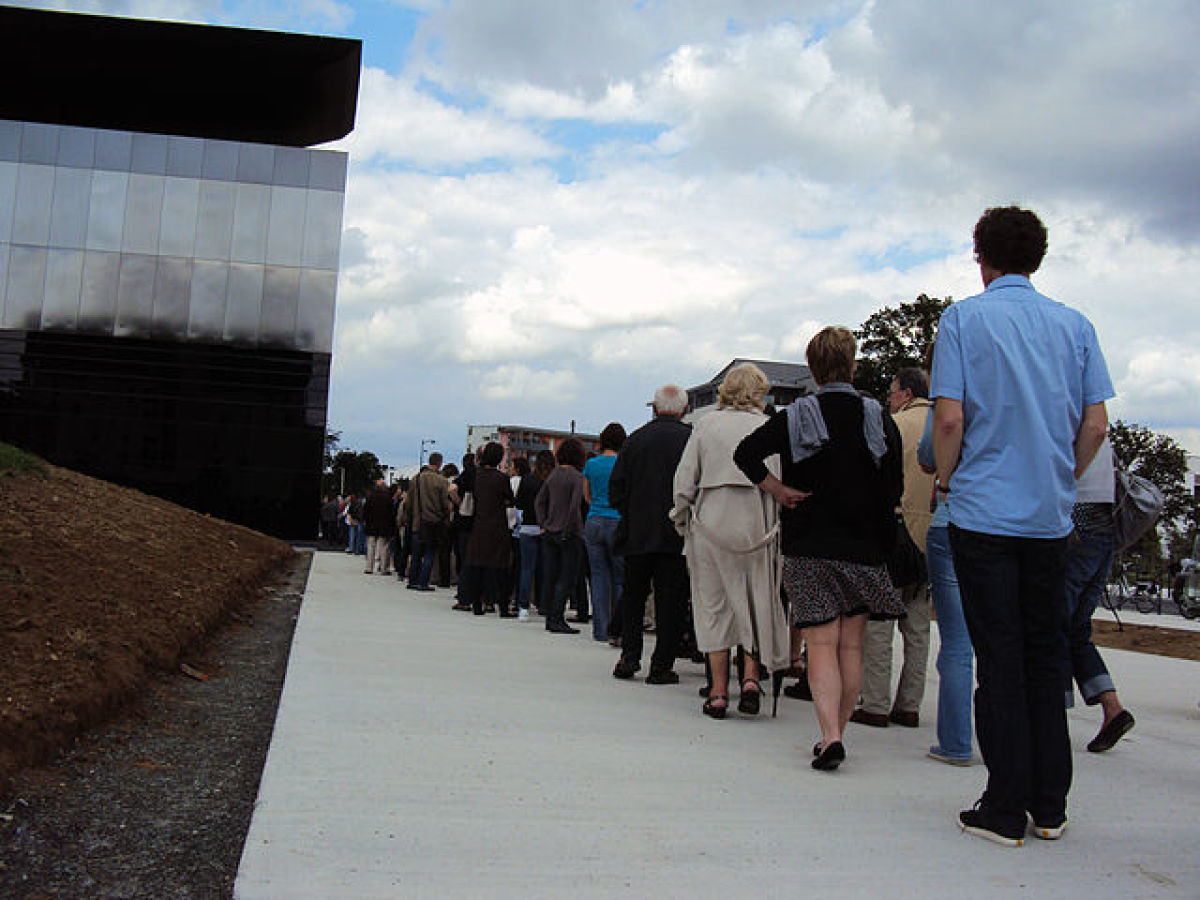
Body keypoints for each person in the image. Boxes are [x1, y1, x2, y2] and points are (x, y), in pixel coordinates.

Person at [931, 206, 1112, 845]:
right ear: (1038, 256)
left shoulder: (963, 319)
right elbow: (1095, 424)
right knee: (1047, 653)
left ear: (982, 257)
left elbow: (949, 419)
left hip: (982, 510)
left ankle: (1003, 806)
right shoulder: (1076, 325)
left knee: (998, 659)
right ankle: (1050, 803)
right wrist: (1063, 475)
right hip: (1048, 515)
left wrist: (948, 479)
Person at [735, 327, 904, 771]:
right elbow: (894, 484)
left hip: (809, 541)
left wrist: (777, 488)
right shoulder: (877, 416)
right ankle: (838, 733)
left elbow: (746, 452)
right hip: (863, 544)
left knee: (820, 643)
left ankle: (828, 733)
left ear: (811, 368)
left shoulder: (797, 415)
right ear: (853, 363)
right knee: (851, 647)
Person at [671, 363, 788, 718]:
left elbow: (684, 481)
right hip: (756, 521)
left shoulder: (705, 426)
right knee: (755, 600)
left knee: (712, 605)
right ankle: (751, 679)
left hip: (710, 523)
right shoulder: (769, 427)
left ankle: (719, 691)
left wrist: (680, 519)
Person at [853, 366, 934, 728]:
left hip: (893, 533)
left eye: (891, 391)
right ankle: (909, 704)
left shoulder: (894, 427)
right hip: (931, 536)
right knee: (917, 627)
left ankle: (875, 701)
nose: (889, 398)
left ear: (905, 393)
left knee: (880, 623)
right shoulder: (944, 424)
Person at [609, 384, 693, 685]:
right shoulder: (691, 439)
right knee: (671, 602)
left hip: (637, 533)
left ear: (655, 409)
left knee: (634, 597)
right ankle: (662, 664)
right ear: (684, 409)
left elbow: (615, 489)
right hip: (677, 535)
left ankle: (629, 656)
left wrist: (630, 512)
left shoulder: (635, 440)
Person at [1065, 437, 1135, 752]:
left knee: (1050, 625)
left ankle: (1049, 710)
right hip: (1105, 536)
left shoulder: (1067, 420)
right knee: (1076, 629)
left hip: (1075, 533)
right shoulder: (1103, 436)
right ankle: (1112, 707)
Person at [917, 396, 975, 766]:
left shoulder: (945, 403)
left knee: (956, 642)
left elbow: (927, 454)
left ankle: (956, 741)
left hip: (952, 518)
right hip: (1007, 522)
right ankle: (1008, 738)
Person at [535, 439, 587, 634]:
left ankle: (550, 616)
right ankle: (558, 618)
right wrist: (569, 528)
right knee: (567, 578)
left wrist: (543, 523)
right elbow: (574, 507)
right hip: (569, 534)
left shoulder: (553, 475)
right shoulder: (576, 477)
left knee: (550, 575)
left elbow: (539, 501)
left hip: (550, 532)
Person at [582, 423, 627, 643]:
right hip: (617, 520)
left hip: (594, 520)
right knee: (620, 578)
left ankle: (600, 629)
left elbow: (586, 495)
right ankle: (617, 629)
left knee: (598, 578)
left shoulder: (591, 464)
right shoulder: (624, 463)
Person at [461, 442, 516, 616]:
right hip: (498, 526)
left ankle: (476, 604)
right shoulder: (502, 478)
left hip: (479, 524)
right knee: (499, 568)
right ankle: (502, 606)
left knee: (477, 567)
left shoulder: (476, 476)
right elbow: (510, 500)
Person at [514, 450, 554, 621]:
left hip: (528, 527)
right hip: (547, 528)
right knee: (546, 569)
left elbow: (519, 503)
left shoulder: (528, 479)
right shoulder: (552, 480)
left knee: (527, 569)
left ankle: (523, 605)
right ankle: (543, 604)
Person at [406, 453, 453, 592]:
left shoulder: (416, 479)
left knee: (416, 554)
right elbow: (445, 505)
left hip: (417, 521)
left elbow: (409, 503)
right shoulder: (442, 481)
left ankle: (412, 580)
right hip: (433, 522)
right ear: (439, 463)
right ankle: (423, 582)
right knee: (429, 553)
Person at [362, 477, 396, 575]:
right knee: (384, 547)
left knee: (371, 546)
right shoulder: (388, 498)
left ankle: (369, 567)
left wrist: (366, 521)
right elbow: (392, 514)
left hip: (371, 525)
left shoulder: (370, 497)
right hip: (384, 526)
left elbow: (365, 512)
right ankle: (383, 568)